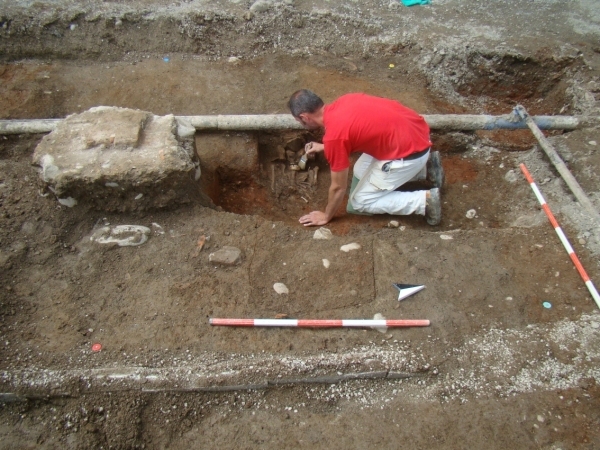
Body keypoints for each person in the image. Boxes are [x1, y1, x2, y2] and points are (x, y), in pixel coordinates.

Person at [287, 90, 444, 227]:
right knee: (360, 170)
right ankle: (428, 169)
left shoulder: (334, 137)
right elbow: (358, 131)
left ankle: (424, 202)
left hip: (411, 154)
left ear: (304, 117)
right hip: (416, 135)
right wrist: (325, 146)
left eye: (298, 121)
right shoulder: (345, 100)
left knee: (360, 202)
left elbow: (338, 188)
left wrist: (326, 216)